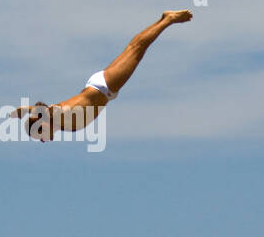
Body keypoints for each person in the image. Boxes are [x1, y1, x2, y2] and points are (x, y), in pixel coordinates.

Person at [10, 10, 193, 142]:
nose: (43, 141)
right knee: (134, 49)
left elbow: (38, 110)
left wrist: (21, 113)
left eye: (39, 136)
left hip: (103, 86)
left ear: (43, 125)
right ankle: (162, 19)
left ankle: (167, 20)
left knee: (136, 50)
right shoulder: (61, 126)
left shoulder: (54, 115)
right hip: (102, 89)